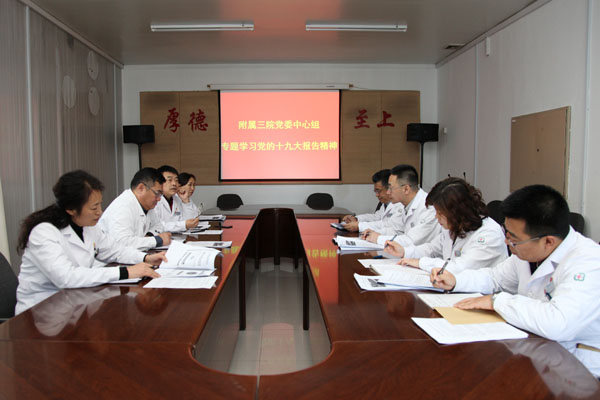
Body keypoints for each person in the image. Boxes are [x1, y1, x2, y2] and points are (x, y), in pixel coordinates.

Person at [431, 184, 600, 378]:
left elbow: (558, 323)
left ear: (548, 241)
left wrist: (497, 301)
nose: (507, 242)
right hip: (537, 349)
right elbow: (495, 278)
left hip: (579, 368)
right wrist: (456, 281)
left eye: (514, 238)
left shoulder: (589, 262)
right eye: (507, 233)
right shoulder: (527, 253)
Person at [15, 170, 164, 314]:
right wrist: (125, 271)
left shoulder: (88, 226)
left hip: (75, 302)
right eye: (94, 207)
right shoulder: (43, 232)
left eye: (100, 205)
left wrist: (146, 258)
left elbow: (114, 250)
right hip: (41, 311)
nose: (100, 212)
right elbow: (66, 277)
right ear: (71, 209)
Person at [385, 177, 507, 274]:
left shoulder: (489, 234)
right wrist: (404, 251)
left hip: (480, 294)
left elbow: (460, 268)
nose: (436, 217)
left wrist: (421, 263)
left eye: (440, 213)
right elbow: (432, 249)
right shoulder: (455, 226)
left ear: (457, 211)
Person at [363, 164, 441, 247]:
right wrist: (375, 233)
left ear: (406, 189)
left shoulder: (428, 207)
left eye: (390, 188)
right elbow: (397, 230)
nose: (388, 192)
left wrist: (379, 238)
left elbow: (412, 241)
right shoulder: (405, 204)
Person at [99, 167, 171, 250]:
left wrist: (149, 235)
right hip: (110, 257)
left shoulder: (147, 205)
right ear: (141, 188)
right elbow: (122, 243)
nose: (159, 199)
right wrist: (156, 240)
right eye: (157, 193)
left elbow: (158, 225)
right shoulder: (122, 206)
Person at [153, 165, 199, 232]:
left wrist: (185, 201)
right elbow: (158, 226)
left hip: (178, 236)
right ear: (159, 182)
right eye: (170, 180)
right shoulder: (154, 200)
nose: (174, 183)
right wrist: (183, 225)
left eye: (176, 180)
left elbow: (192, 220)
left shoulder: (176, 199)